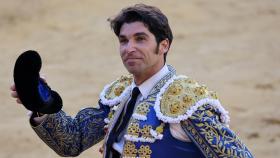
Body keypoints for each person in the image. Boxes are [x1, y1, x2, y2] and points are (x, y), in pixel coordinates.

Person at [11, 4, 254, 158]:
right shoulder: (120, 95)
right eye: (124, 41)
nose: (130, 48)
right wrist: (40, 101)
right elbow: (73, 141)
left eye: (140, 39)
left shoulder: (187, 103)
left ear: (164, 45)